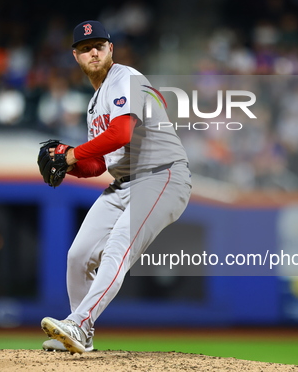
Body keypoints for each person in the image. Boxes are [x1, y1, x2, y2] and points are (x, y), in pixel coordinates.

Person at [40, 20, 192, 354]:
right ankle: (83, 332)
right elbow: (99, 163)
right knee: (77, 256)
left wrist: (71, 155)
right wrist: (69, 165)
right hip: (123, 183)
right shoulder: (95, 103)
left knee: (118, 247)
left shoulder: (126, 78)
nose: (92, 52)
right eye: (84, 48)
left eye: (99, 45)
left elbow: (122, 133)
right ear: (75, 57)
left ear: (111, 49)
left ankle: (78, 324)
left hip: (161, 175)